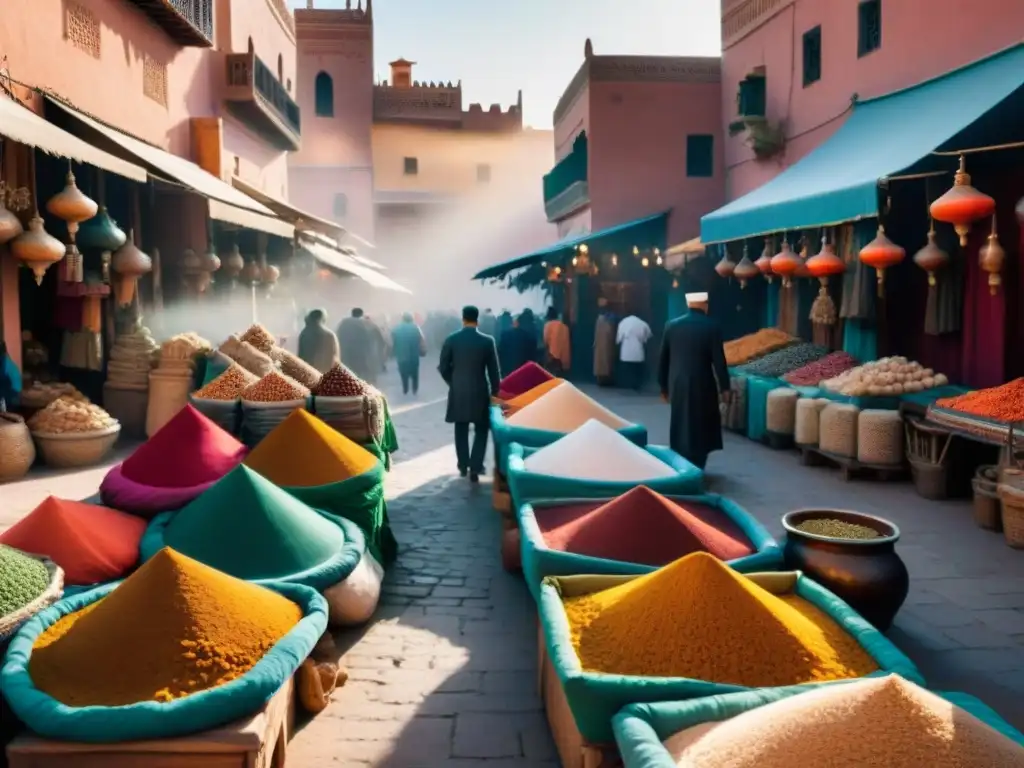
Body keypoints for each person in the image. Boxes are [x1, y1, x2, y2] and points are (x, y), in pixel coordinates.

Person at [658, 292, 731, 470]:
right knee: (702, 423)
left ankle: (680, 463)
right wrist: (725, 388)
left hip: (678, 384)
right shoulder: (712, 327)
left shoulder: (671, 326)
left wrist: (663, 387)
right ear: (705, 305)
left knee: (680, 421)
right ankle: (698, 464)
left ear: (687, 304)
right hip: (703, 383)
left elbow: (663, 360)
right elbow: (719, 362)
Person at [438, 305, 500, 481]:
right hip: (480, 389)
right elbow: (494, 370)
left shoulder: (452, 339)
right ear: (477, 319)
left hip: (459, 390)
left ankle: (463, 465)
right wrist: (496, 391)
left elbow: (443, 367)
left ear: (463, 318)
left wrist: (453, 381)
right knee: (481, 429)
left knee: (461, 428)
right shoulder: (487, 341)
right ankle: (476, 465)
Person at [391, 312, 426, 395]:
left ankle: (405, 388)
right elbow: (421, 340)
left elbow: (393, 341)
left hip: (401, 354)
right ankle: (415, 388)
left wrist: (393, 351)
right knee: (414, 372)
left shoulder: (396, 329)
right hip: (414, 354)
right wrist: (423, 350)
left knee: (403, 372)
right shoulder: (416, 328)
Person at [616, 311, 653, 391]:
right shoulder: (643, 323)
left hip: (626, 350)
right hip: (638, 350)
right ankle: (637, 384)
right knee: (637, 369)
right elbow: (648, 337)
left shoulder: (623, 322)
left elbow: (618, 338)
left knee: (626, 368)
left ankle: (626, 384)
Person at [297, 309, 340, 374]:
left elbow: (300, 356)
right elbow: (335, 358)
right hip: (325, 374)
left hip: (307, 373)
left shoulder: (305, 333)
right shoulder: (329, 335)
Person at [498, 308, 539, 375]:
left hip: (508, 370)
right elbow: (533, 357)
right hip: (524, 371)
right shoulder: (531, 337)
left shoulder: (505, 334)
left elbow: (500, 352)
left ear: (518, 322)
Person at [337, 308, 373, 381]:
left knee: (348, 369)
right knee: (358, 371)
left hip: (345, 350)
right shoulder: (362, 323)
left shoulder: (344, 322)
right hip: (358, 352)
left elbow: (338, 334)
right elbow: (367, 338)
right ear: (361, 314)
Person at [594, 299, 617, 386]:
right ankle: (603, 380)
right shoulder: (608, 318)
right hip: (605, 344)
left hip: (605, 344)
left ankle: (603, 380)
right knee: (604, 363)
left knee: (603, 363)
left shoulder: (605, 318)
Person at [543, 307, 571, 376]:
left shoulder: (548, 325)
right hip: (563, 356)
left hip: (552, 355)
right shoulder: (565, 327)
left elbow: (545, 340)